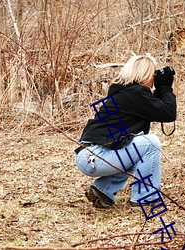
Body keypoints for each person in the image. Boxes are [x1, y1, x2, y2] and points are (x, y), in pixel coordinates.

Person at [75, 54, 177, 209]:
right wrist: (165, 87)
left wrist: (161, 88)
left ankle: (102, 191)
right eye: (152, 74)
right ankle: (145, 199)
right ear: (144, 74)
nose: (153, 78)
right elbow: (168, 112)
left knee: (135, 150)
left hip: (90, 155)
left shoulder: (127, 93)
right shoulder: (135, 93)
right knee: (150, 143)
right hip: (95, 156)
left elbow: (157, 107)